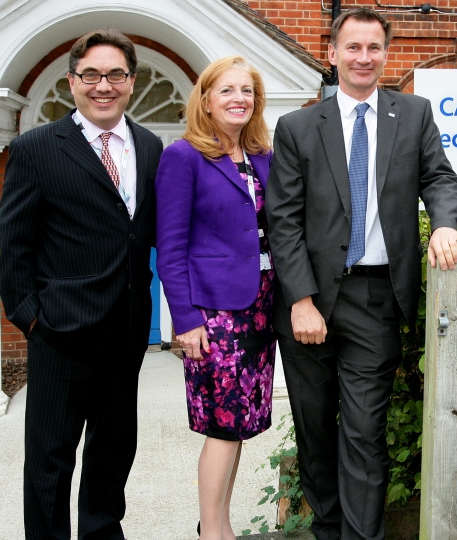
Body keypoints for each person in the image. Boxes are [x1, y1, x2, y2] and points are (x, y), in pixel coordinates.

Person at [266, 8, 457, 540]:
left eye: (373, 47)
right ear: (332, 55)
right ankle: (328, 530)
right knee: (314, 433)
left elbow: (441, 179)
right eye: (352, 47)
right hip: (308, 303)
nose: (363, 57)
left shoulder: (415, 114)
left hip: (377, 297)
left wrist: (444, 225)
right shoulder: (297, 127)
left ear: (385, 53)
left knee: (363, 433)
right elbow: (281, 220)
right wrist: (301, 298)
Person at [0, 28, 163, 540]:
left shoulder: (151, 145)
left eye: (115, 74)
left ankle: (101, 532)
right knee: (49, 459)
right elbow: (14, 243)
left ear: (131, 82)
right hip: (61, 331)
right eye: (91, 75)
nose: (103, 85)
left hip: (127, 330)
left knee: (114, 449)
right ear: (73, 82)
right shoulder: (37, 149)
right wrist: (31, 315)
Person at [154, 55, 275, 540]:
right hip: (215, 312)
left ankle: (219, 525)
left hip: (262, 306)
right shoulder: (183, 157)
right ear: (206, 99)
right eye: (226, 90)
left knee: (241, 424)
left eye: (246, 91)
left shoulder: (263, 156)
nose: (238, 99)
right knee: (223, 426)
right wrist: (185, 320)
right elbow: (171, 244)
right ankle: (212, 535)